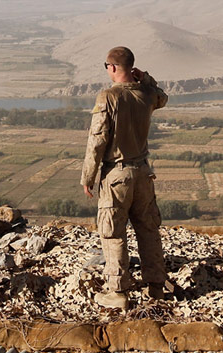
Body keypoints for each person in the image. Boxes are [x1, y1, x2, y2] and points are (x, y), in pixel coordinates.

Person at [80, 46, 168, 310]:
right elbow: (163, 97)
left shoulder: (108, 97)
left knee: (113, 233)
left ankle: (118, 292)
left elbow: (97, 140)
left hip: (116, 174)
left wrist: (89, 175)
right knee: (148, 229)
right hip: (142, 171)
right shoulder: (147, 93)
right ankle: (156, 285)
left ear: (113, 67)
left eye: (107, 66)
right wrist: (146, 79)